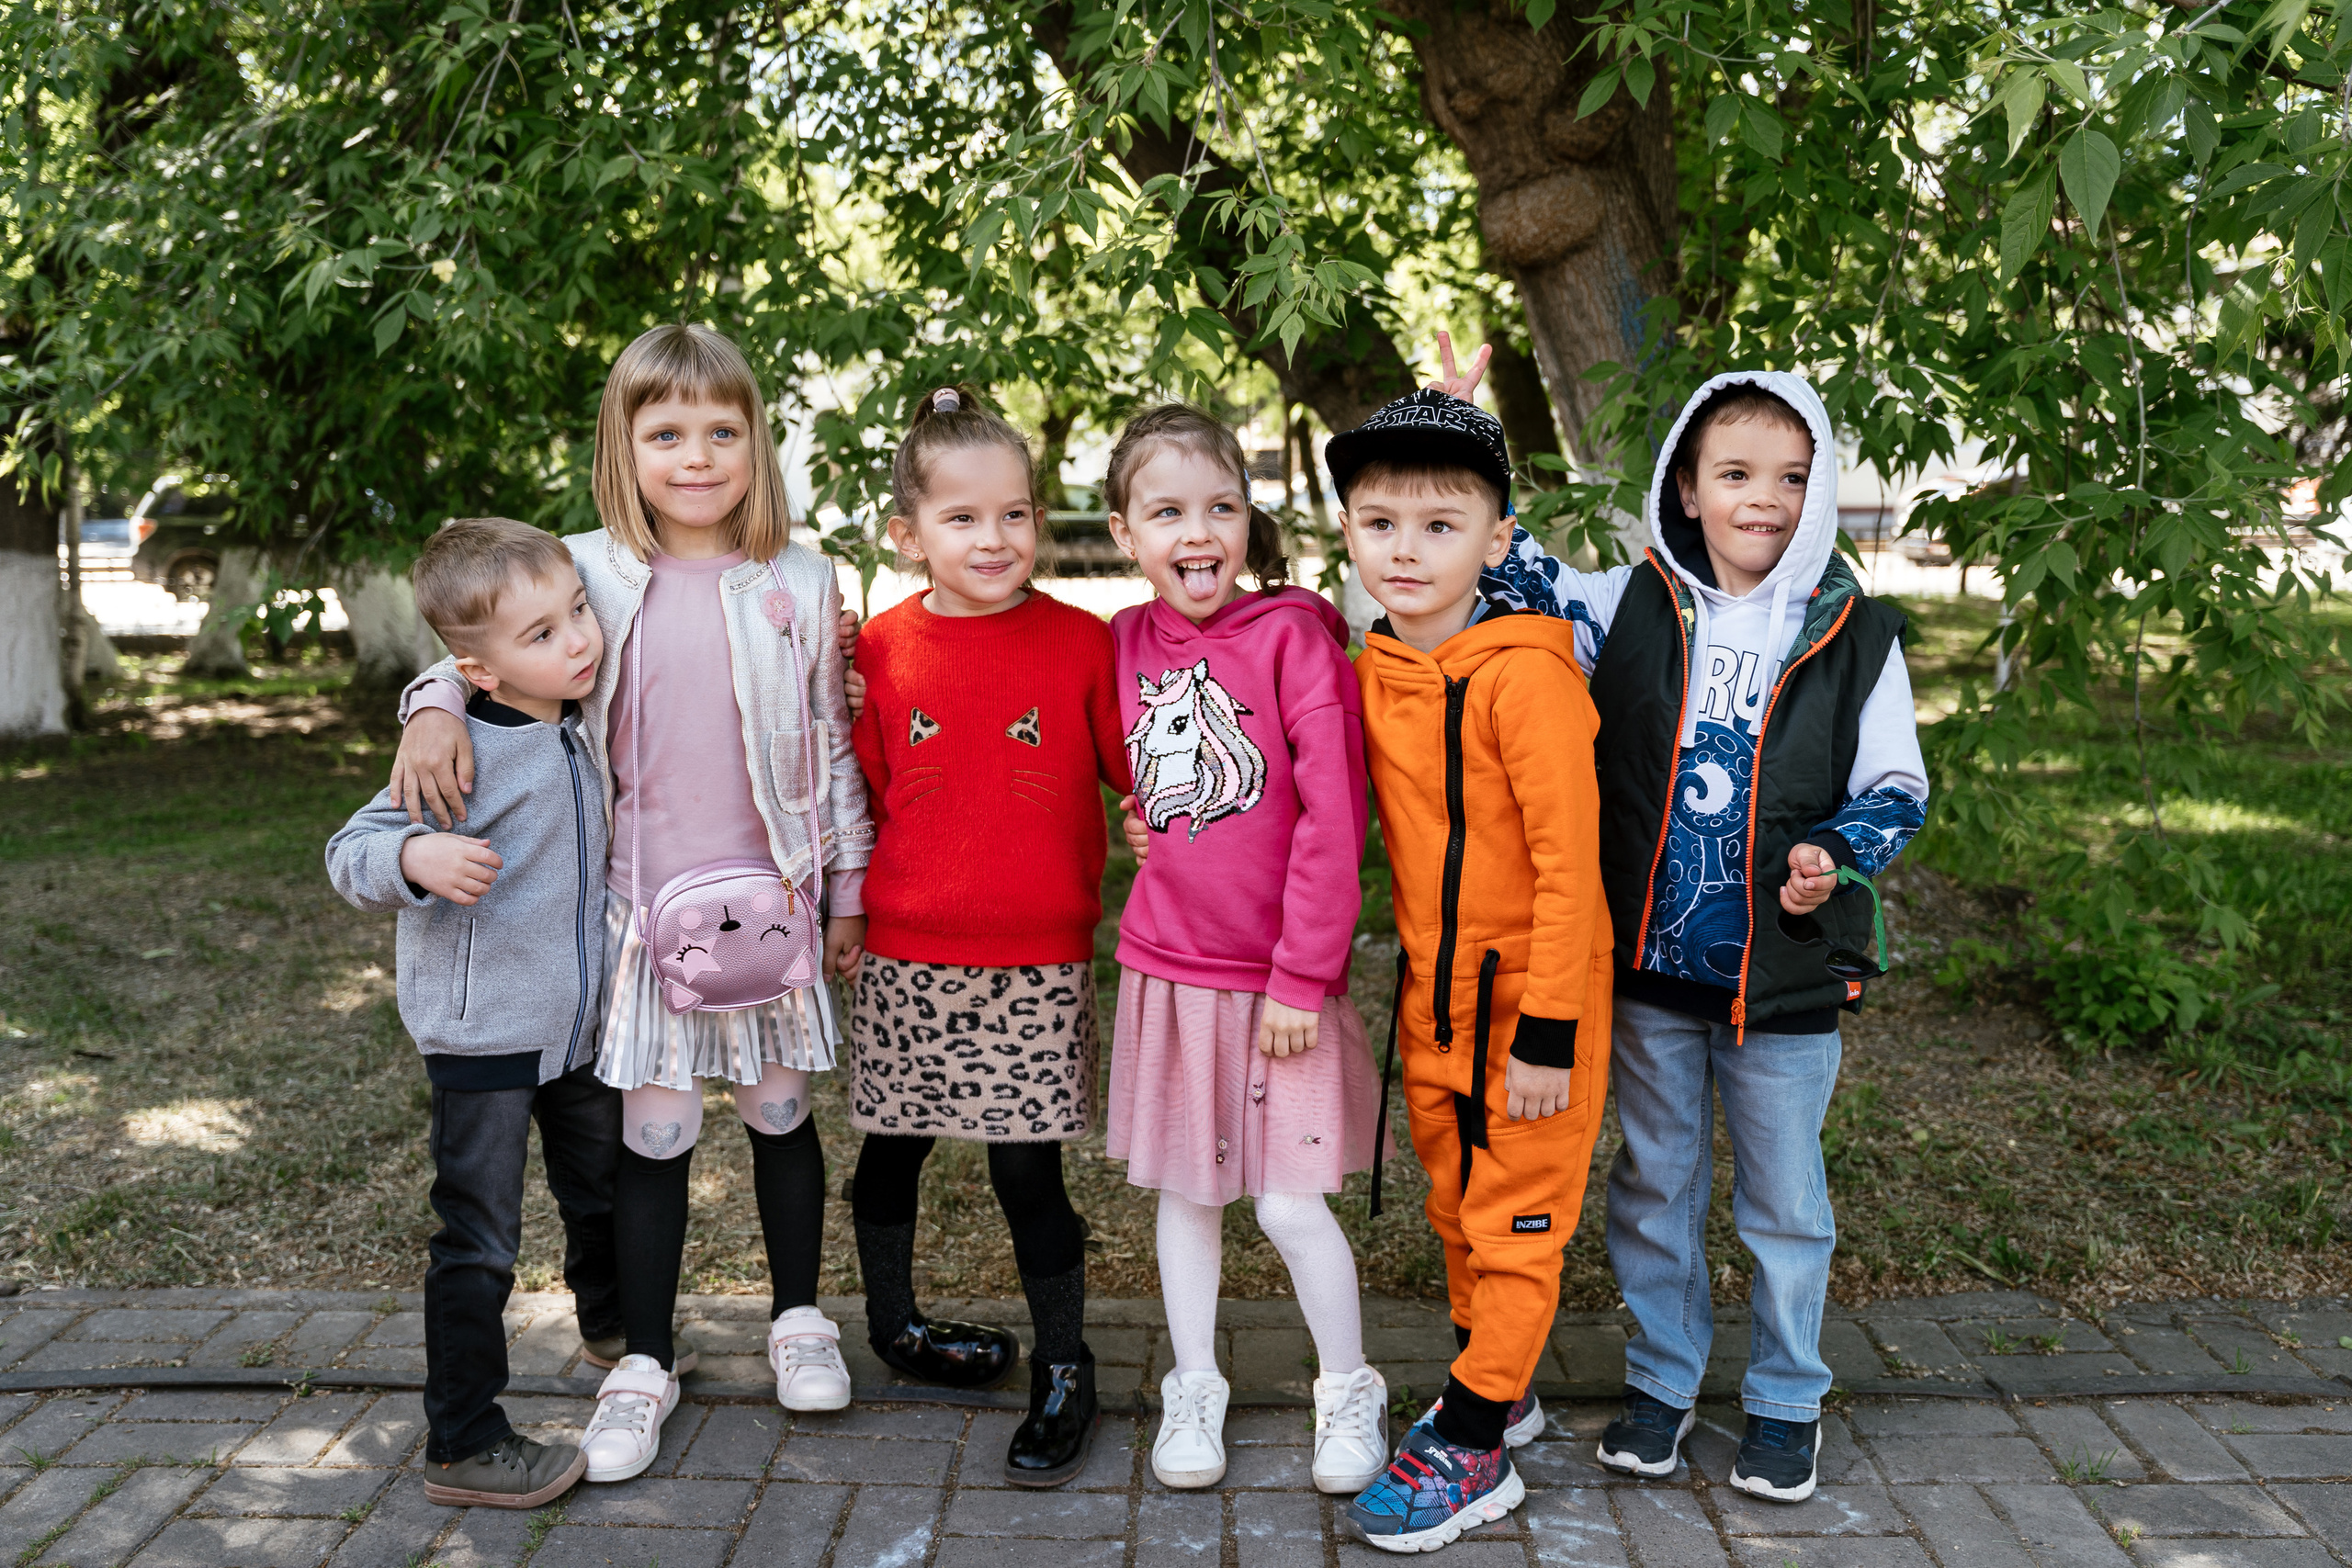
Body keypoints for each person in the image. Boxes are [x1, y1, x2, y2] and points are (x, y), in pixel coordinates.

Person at [383, 324, 874, 1483]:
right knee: (651, 1139)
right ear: (625, 443)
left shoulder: (801, 582)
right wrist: (430, 703)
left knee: (779, 1116)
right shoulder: (583, 566)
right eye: (666, 433)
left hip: (773, 910)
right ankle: (642, 1361)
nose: (696, 456)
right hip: (637, 918)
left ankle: (798, 1318)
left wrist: (846, 889)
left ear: (757, 441)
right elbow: (475, 642)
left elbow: (834, 742)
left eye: (722, 431)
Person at [1460, 341, 1928, 1503]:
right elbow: (1506, 567)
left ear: (1816, 491)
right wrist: (1457, 437)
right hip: (1649, 978)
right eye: (1733, 473)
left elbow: (1898, 788)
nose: (1758, 499)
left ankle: (1783, 1401)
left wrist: (1838, 854)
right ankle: (1663, 1387)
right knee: (1653, 1189)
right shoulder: (1625, 604)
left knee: (1783, 1204)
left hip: (1783, 984)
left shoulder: (1855, 634)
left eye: (1785, 476)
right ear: (1684, 484)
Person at [1326, 383, 1614, 1553]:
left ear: (1498, 541)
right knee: (1455, 1206)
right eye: (1380, 521)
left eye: (1440, 526)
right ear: (1346, 528)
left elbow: (1568, 869)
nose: (1406, 549)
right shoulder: (1374, 665)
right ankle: (1503, 1380)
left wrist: (1547, 1029)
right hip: (1432, 1002)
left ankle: (1477, 1442)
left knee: (1515, 1219)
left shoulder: (1527, 680)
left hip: (1535, 1005)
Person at [1097, 405, 1389, 1495]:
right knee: (1188, 1194)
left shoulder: (1293, 640)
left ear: (1248, 519)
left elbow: (1332, 814)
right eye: (1167, 511)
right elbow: (1090, 746)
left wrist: (1302, 975)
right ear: (1126, 532)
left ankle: (1348, 1384)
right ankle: (1193, 1384)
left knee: (1285, 1203)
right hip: (1168, 974)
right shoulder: (1121, 644)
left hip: (1279, 988)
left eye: (1219, 506)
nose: (1197, 531)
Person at [842, 386, 1131, 1487]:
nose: (994, 538)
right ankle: (896, 1328)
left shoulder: (1081, 643)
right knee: (891, 1149)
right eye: (962, 519)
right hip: (909, 950)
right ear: (907, 536)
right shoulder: (877, 650)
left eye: (1014, 514)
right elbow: (861, 792)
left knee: (1026, 1176)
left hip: (1036, 957)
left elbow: (1129, 773)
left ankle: (1065, 1367)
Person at [326, 517, 616, 1510]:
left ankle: (615, 1339)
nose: (577, 639)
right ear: (478, 673)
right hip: (483, 1037)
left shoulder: (576, 719)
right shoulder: (458, 757)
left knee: (604, 1192)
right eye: (542, 635)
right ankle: (463, 1439)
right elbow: (349, 849)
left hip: (576, 1031)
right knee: (480, 1242)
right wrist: (413, 858)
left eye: (577, 611)